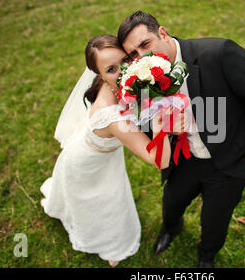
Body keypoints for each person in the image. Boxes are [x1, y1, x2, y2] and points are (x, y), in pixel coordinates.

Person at [118, 11, 245, 268]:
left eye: (145, 44)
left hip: (228, 159)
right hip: (183, 159)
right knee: (171, 202)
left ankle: (207, 255)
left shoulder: (220, 53)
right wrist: (164, 127)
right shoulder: (143, 78)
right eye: (133, 54)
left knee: (215, 220)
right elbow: (147, 122)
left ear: (163, 32)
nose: (142, 57)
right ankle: (171, 229)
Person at [40, 34, 185, 267]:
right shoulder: (112, 117)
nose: (123, 71)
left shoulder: (119, 83)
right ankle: (108, 244)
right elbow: (159, 160)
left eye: (126, 60)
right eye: (111, 69)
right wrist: (161, 126)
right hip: (84, 163)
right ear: (100, 76)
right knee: (102, 201)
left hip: (95, 148)